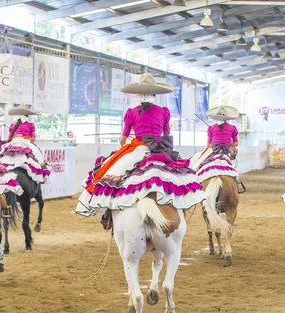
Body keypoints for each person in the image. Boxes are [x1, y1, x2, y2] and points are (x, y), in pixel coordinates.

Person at [75, 73, 205, 228]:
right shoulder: (164, 111)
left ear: (137, 94)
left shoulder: (131, 112)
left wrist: (126, 142)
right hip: (159, 149)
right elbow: (167, 134)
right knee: (178, 176)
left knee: (112, 173)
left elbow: (123, 140)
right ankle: (179, 207)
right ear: (155, 94)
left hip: (137, 147)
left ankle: (108, 214)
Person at [189, 105, 244, 192]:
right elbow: (236, 143)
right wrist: (230, 144)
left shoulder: (211, 128)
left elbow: (208, 144)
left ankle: (192, 181)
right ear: (227, 118)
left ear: (216, 117)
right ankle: (238, 183)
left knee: (197, 162)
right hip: (226, 150)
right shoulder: (232, 128)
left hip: (213, 149)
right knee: (232, 167)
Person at [0, 105, 50, 184]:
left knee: (1, 151)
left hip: (14, 141)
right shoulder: (30, 124)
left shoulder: (13, 124)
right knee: (37, 153)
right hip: (25, 141)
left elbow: (10, 137)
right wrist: (30, 139)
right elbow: (33, 138)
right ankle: (43, 170)